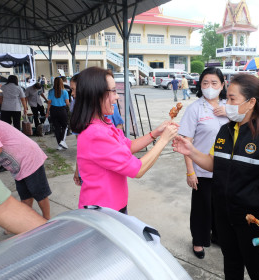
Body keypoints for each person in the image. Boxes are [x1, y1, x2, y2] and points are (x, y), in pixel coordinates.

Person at [173, 73, 259, 280]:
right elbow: (213, 163)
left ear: (251, 102)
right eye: (226, 98)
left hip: (254, 220)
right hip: (224, 216)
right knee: (231, 266)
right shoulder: (225, 131)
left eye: (232, 99)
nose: (226, 103)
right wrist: (190, 151)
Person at [71, 66, 178, 214]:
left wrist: (156, 133)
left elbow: (128, 146)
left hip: (113, 206)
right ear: (96, 95)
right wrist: (164, 141)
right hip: (102, 212)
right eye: (113, 91)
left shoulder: (104, 123)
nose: (117, 96)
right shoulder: (95, 134)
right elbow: (138, 169)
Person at [179, 67, 229, 259]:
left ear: (222, 85)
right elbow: (186, 143)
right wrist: (190, 171)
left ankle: (217, 236)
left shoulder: (229, 106)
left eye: (214, 83)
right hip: (201, 170)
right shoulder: (195, 109)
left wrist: (230, 112)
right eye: (205, 83)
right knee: (202, 209)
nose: (209, 87)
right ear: (200, 85)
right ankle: (199, 241)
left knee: (221, 206)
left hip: (224, 170)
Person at [0, 119, 52, 220]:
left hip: (28, 156)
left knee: (39, 192)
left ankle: (47, 220)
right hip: (18, 163)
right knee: (25, 195)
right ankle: (24, 221)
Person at [0, 167, 46, 239]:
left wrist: (48, 231)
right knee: (25, 195)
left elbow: (4, 207)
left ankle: (47, 219)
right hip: (16, 170)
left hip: (29, 165)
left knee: (40, 194)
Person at [46, 77, 70, 150]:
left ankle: (59, 144)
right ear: (61, 83)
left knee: (57, 128)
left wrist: (47, 113)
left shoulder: (50, 91)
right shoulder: (65, 92)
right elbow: (67, 103)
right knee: (65, 126)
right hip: (62, 110)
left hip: (53, 110)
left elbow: (49, 103)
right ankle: (62, 141)